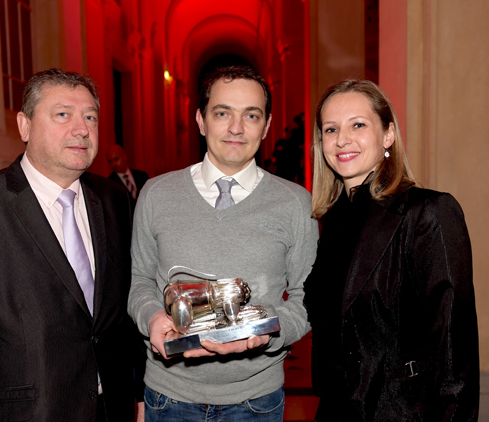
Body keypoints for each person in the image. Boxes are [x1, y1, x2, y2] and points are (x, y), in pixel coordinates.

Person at [0, 68, 140, 421]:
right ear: (24, 126)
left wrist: (137, 395)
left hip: (110, 409)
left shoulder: (114, 201)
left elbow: (120, 315)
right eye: (63, 114)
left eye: (90, 117)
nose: (82, 128)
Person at [127, 65, 318, 421]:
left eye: (251, 115)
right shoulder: (156, 194)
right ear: (201, 120)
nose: (236, 128)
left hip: (256, 401)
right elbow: (139, 281)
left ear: (267, 124)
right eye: (222, 113)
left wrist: (268, 330)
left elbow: (309, 298)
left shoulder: (295, 203)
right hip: (169, 398)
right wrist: (153, 318)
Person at [303, 79, 479, 421]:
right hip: (335, 410)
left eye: (358, 125)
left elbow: (454, 351)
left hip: (399, 412)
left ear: (388, 135)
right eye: (330, 129)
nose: (342, 140)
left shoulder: (427, 212)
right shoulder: (332, 221)